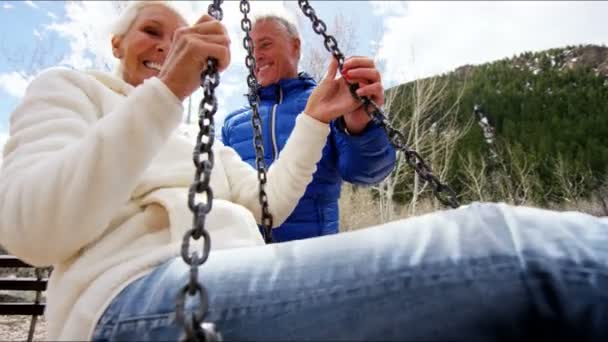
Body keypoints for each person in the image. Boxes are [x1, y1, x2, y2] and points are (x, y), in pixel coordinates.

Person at [2, 2, 608, 342]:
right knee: (514, 254)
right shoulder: (74, 92)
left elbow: (271, 203)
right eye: (149, 32)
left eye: (178, 34)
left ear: (295, 51)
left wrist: (324, 119)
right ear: (116, 44)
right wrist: (167, 93)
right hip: (143, 294)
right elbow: (30, 231)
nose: (166, 45)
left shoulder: (197, 134)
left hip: (266, 269)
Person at [221, 13, 396, 242]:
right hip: (250, 259)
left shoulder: (327, 103)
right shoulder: (233, 124)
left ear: (295, 47)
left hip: (315, 256)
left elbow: (367, 172)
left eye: (265, 44)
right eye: (250, 49)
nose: (257, 56)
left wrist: (360, 126)